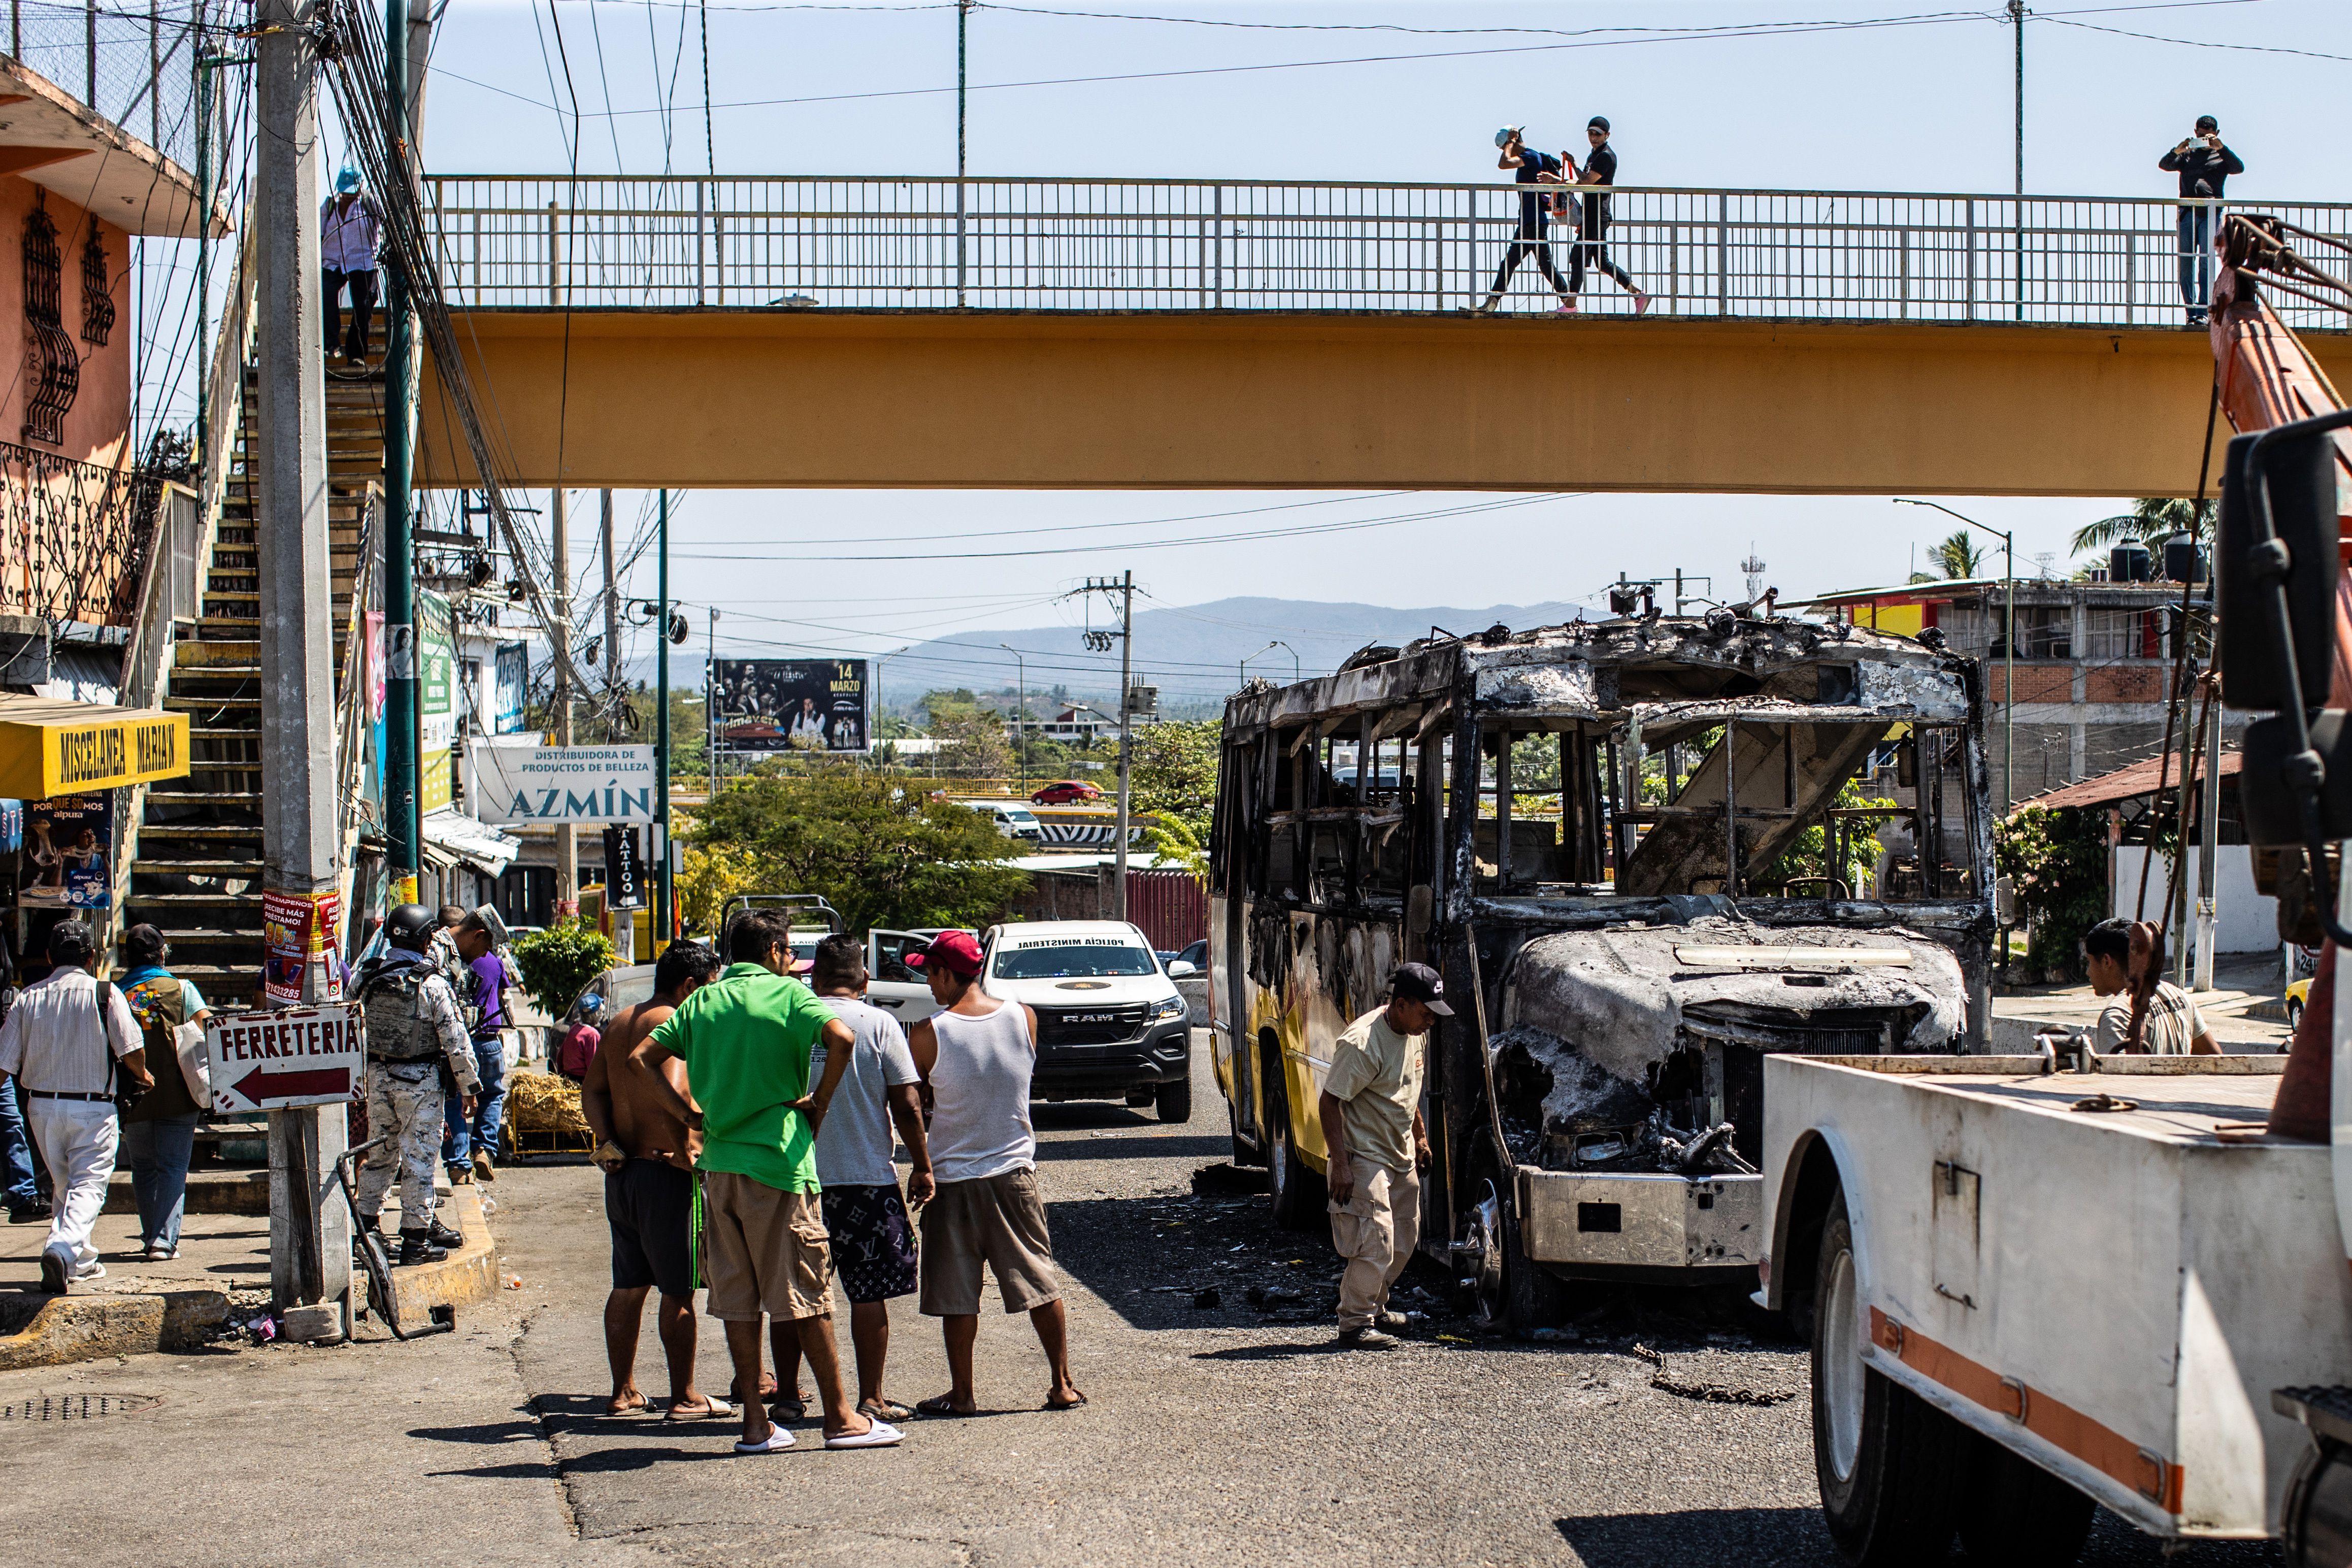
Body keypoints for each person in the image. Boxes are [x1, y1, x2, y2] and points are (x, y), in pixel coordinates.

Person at [640, 909, 900, 1453]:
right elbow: (841, 1035)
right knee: (806, 1292)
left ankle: (755, 1423)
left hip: (721, 1167)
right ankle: (840, 1418)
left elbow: (644, 1057)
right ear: (777, 951)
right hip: (781, 1164)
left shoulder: (703, 1001)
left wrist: (687, 1113)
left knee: (738, 1298)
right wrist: (820, 1100)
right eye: (788, 954)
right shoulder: (788, 996)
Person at [904, 930, 1084, 1416]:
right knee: (1040, 1280)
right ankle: (1061, 1383)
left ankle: (962, 1393)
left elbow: (914, 1100)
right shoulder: (1022, 1016)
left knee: (956, 1293)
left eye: (930, 972)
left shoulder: (927, 1032)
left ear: (946, 972)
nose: (928, 981)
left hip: (952, 1180)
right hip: (1014, 1176)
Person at [776, 933, 936, 1425]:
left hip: (799, 1180)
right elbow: (908, 1103)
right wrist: (923, 1164)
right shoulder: (880, 1022)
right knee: (869, 1294)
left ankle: (786, 1394)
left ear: (814, 976)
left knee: (793, 1294)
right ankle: (871, 1397)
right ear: (863, 978)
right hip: (867, 1178)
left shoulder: (791, 1018)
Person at [582, 940, 728, 1420]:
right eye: (708, 987)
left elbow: (593, 1090)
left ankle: (622, 1391)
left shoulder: (621, 1021)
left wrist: (608, 1142)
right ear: (690, 984)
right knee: (678, 1288)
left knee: (628, 1284)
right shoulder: (672, 1022)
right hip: (664, 1172)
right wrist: (687, 1144)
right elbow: (668, 1087)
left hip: (622, 1172)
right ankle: (684, 1395)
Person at [0, 921, 149, 1293]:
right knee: (88, 1185)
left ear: (49, 957)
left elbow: (3, 1064)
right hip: (93, 1108)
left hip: (41, 1110)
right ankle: (62, 1249)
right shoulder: (105, 993)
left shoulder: (28, 996)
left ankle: (80, 1261)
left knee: (65, 1186)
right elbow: (131, 1049)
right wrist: (144, 1074)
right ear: (91, 957)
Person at [1318, 962, 1445, 1349]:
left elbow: (1408, 1087)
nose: (1431, 1022)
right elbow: (1328, 1102)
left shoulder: (1414, 1031)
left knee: (1405, 1237)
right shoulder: (1362, 1043)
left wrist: (1419, 1138)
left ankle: (1375, 1305)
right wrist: (1340, 1164)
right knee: (1376, 1240)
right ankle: (1353, 1324)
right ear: (1401, 1004)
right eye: (1426, 1013)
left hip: (1399, 1150)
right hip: (1364, 1154)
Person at [352, 905, 481, 1265]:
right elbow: (456, 1040)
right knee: (419, 1162)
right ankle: (415, 1242)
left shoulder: (365, 977)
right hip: (421, 1084)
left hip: (376, 1081)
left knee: (379, 1157)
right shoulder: (433, 983)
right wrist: (469, 1086)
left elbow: (347, 1025)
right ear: (426, 938)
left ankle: (366, 1234)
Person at [116, 925, 212, 1262]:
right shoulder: (181, 989)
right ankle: (162, 1240)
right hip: (178, 1093)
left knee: (142, 1167)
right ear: (162, 954)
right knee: (172, 1166)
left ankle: (150, 1233)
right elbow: (208, 1024)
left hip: (134, 1095)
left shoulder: (114, 993)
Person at [445, 907, 517, 1185]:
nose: (486, 951)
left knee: (454, 1102)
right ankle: (485, 1149)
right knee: (492, 1096)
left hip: (460, 1043)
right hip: (489, 1042)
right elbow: (501, 996)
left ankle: (458, 1164)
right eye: (487, 945)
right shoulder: (493, 962)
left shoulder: (450, 961)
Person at [2082, 918, 2220, 1055]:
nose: (2088, 972)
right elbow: (2216, 1060)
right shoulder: (2179, 997)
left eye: (2090, 962)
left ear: (2107, 962)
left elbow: (2118, 1077)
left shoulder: (2116, 1016)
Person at [1474, 127, 1574, 314]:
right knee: (1515, 263)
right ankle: (1493, 302)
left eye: (1505, 146)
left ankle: (1570, 303)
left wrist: (1510, 143)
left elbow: (1503, 164)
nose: (1505, 150)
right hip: (1528, 222)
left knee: (1542, 265)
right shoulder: (1527, 159)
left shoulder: (1531, 157)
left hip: (1534, 222)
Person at [2160, 116, 2244, 326]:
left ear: (2216, 133)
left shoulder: (2220, 156)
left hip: (2210, 214)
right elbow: (2164, 165)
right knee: (2186, 264)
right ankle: (2191, 311)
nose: (2204, 137)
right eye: (2201, 133)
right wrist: (2177, 150)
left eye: (2209, 134)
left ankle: (2203, 310)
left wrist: (2221, 148)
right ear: (2195, 132)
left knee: (2206, 262)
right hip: (2188, 214)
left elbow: (2239, 168)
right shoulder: (2188, 155)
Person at [1565, 117, 1650, 316]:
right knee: (1602, 263)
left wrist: (1574, 164)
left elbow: (1586, 181)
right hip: (1593, 216)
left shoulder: (1605, 156)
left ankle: (1570, 306)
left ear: (1607, 136)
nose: (1593, 138)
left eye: (1597, 134)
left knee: (1577, 258)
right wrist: (1559, 180)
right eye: (1591, 134)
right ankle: (1638, 294)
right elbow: (1584, 182)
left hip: (1597, 216)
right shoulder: (1595, 155)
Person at [320, 166, 385, 365]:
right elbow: (319, 231)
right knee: (325, 292)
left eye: (351, 193)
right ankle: (331, 344)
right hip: (333, 260)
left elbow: (386, 223)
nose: (347, 197)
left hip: (363, 261)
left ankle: (356, 353)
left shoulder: (369, 203)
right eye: (344, 193)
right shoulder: (330, 205)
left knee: (363, 304)